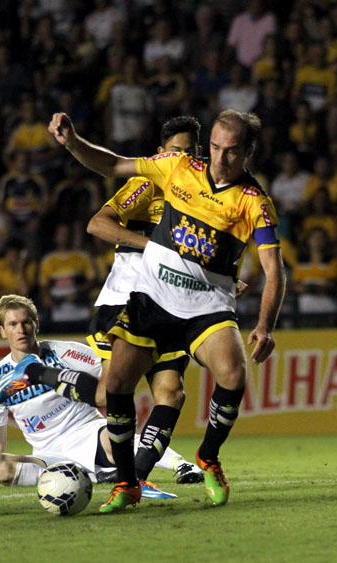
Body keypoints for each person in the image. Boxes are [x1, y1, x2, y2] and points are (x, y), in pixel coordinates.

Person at [28, 108, 285, 513]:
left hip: (207, 307)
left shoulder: (254, 202)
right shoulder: (177, 166)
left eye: (231, 152)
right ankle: (128, 483)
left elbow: (274, 271)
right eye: (215, 148)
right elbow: (113, 164)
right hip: (153, 300)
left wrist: (265, 325)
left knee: (233, 375)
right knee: (115, 387)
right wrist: (74, 142)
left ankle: (209, 457)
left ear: (249, 151)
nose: (219, 158)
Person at [0, 295, 186, 499]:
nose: (21, 329)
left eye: (26, 322)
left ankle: (181, 465)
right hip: (47, 454)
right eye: (13, 324)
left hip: (87, 432)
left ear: (36, 324)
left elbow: (112, 374)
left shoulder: (65, 352)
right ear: (3, 331)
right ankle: (98, 475)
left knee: (113, 436)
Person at [84, 116, 208, 485]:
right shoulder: (146, 185)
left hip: (173, 302)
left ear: (199, 154)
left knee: (172, 393)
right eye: (175, 152)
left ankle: (134, 477)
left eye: (189, 152)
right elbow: (98, 224)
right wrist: (155, 247)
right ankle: (108, 460)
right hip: (125, 299)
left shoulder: (207, 196)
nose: (183, 158)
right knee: (109, 394)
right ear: (161, 154)